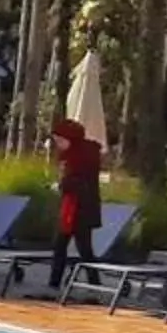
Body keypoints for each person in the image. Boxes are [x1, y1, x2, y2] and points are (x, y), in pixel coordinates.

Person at [49, 117, 104, 292]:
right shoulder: (73, 155)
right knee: (69, 246)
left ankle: (93, 285)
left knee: (80, 248)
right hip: (74, 207)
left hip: (80, 209)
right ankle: (57, 283)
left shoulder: (82, 156)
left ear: (69, 139)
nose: (58, 144)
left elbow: (80, 182)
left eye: (60, 141)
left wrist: (61, 185)